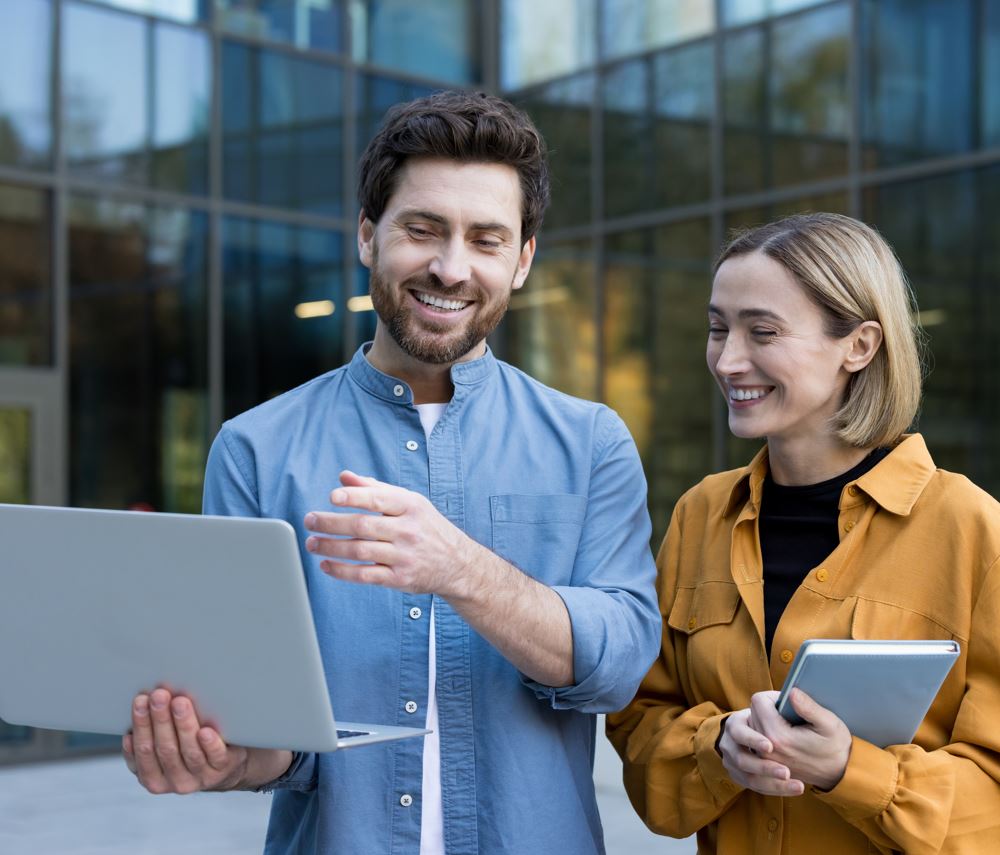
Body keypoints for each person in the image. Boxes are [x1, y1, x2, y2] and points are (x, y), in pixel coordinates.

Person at [122, 90, 661, 855]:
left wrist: (460, 568)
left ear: (523, 260)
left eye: (486, 239)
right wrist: (228, 756)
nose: (450, 266)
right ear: (369, 237)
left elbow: (619, 666)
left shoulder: (592, 442)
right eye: (423, 229)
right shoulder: (254, 449)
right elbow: (273, 730)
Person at [607, 213, 1000, 854]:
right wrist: (718, 748)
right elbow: (640, 732)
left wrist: (852, 772)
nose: (729, 360)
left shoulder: (973, 531)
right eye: (717, 329)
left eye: (762, 331)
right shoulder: (700, 515)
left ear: (860, 345)